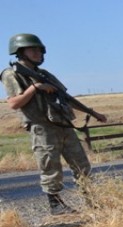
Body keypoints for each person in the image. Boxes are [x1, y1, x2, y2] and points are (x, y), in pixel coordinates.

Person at [1, 33, 107, 215]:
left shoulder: (44, 74)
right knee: (50, 167)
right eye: (32, 49)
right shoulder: (12, 74)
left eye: (39, 50)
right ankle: (56, 205)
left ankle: (92, 199)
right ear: (20, 52)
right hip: (42, 127)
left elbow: (65, 97)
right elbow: (13, 103)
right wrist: (35, 88)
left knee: (82, 164)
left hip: (62, 125)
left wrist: (92, 113)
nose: (37, 53)